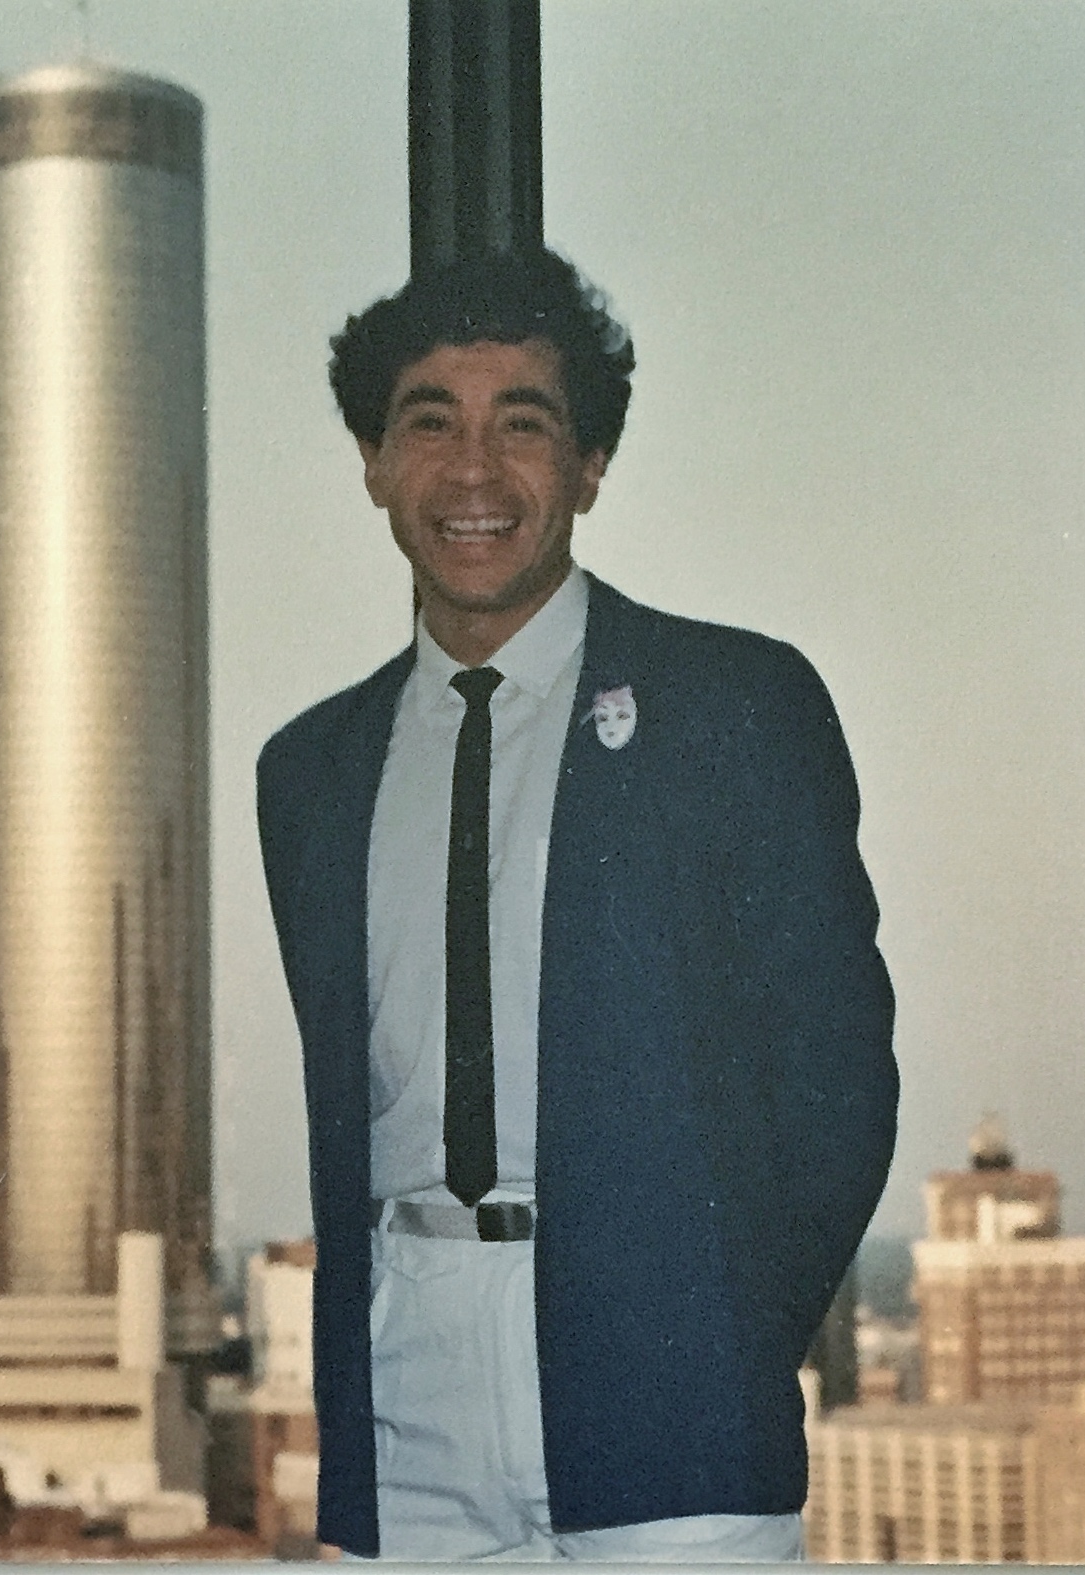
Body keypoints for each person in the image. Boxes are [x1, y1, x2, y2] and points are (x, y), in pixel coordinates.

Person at [255, 248, 897, 1561]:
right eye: (429, 422)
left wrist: (721, 1332)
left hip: (673, 1392)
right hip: (405, 1396)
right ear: (373, 463)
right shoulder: (309, 772)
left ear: (591, 465)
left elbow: (837, 1084)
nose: (473, 471)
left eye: (523, 424)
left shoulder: (735, 706)